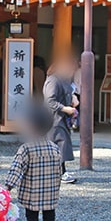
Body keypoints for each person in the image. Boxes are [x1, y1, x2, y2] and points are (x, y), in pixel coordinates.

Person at [5, 104, 62, 221]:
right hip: (50, 193)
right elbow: (59, 171)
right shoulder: (55, 148)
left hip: (31, 194)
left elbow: (16, 170)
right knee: (50, 220)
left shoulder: (26, 149)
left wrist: (8, 187)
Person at [44, 56, 78, 184]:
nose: (71, 72)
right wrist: (65, 108)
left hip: (61, 118)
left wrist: (73, 98)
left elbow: (69, 92)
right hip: (54, 119)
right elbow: (50, 101)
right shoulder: (53, 80)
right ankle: (60, 173)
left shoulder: (63, 80)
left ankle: (61, 172)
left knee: (60, 145)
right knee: (59, 145)